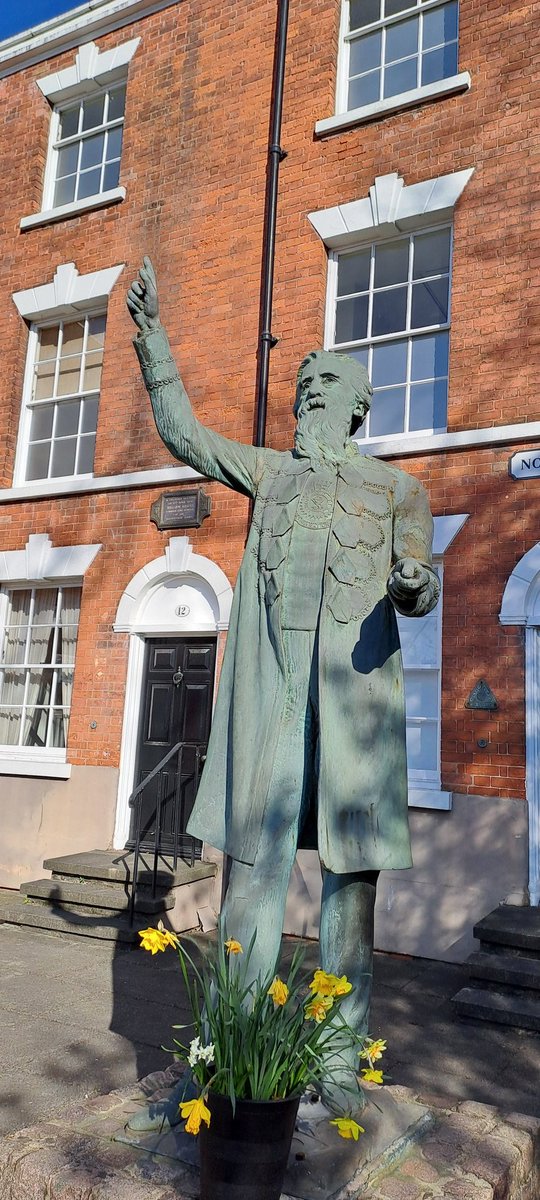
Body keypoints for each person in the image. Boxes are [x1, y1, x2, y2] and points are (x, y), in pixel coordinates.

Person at [127, 258, 440, 1111]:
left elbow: (420, 575)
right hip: (271, 705)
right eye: (303, 387)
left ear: (358, 407)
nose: (308, 396)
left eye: (325, 386)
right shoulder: (271, 473)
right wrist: (155, 343)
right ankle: (227, 1051)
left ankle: (341, 1065)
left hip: (353, 713)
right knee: (253, 873)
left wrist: (414, 583)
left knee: (350, 890)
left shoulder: (398, 488)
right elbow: (186, 435)